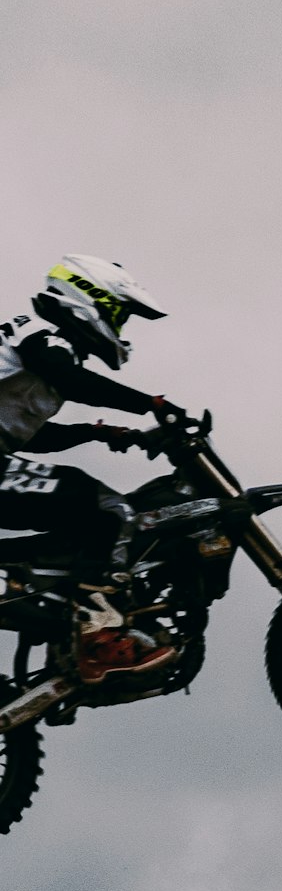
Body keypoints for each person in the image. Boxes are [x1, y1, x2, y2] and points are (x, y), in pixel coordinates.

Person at [0, 254, 183, 682]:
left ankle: (58, 611)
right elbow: (73, 380)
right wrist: (150, 404)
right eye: (120, 315)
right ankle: (96, 639)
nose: (119, 329)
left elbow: (27, 434)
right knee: (106, 508)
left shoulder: (32, 350)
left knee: (79, 510)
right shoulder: (39, 334)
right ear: (92, 298)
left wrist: (97, 432)